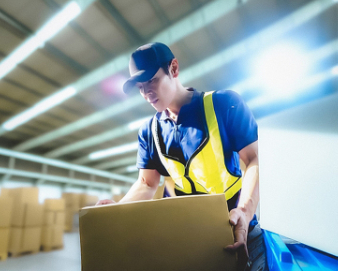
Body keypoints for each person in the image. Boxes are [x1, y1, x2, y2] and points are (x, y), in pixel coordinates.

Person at [97, 42, 267, 271]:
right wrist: (116, 211)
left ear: (174, 69)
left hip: (238, 225)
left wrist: (245, 213)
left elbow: (255, 160)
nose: (146, 92)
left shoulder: (225, 105)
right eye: (140, 86)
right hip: (191, 234)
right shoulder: (149, 132)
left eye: (152, 80)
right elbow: (147, 183)